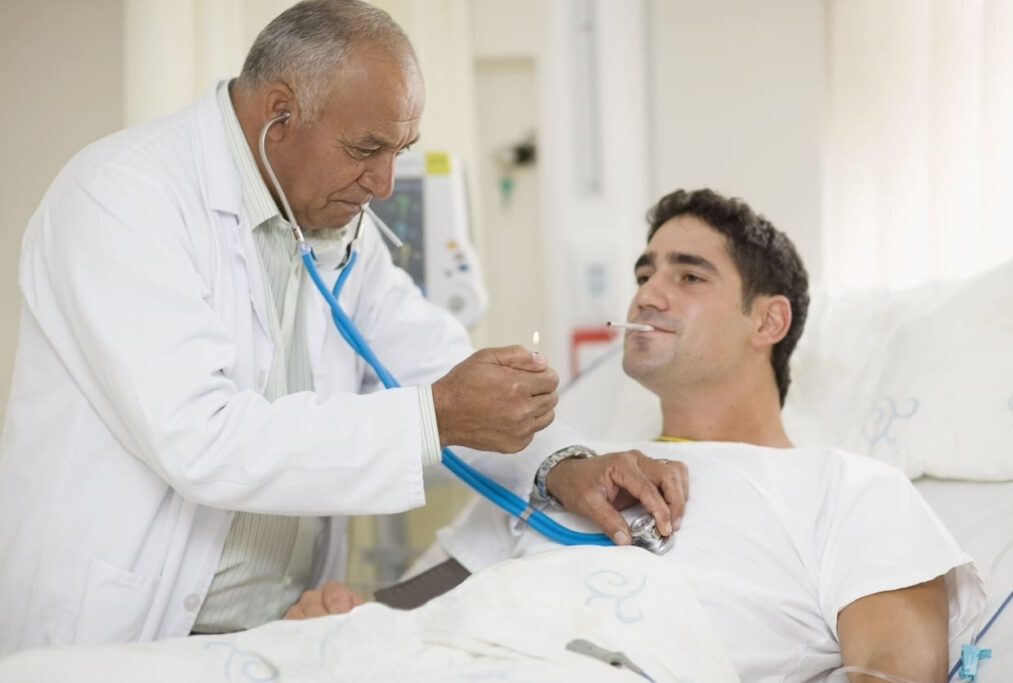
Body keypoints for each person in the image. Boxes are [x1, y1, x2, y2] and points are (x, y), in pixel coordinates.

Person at [0, 0, 685, 654]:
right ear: (279, 115)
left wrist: (563, 463)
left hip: (276, 630)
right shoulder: (123, 196)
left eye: (400, 149)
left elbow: (430, 365)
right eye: (366, 148)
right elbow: (202, 439)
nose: (383, 184)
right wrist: (438, 414)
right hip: (122, 629)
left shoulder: (330, 223)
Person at [433, 188, 985, 682]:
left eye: (689, 277)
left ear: (768, 322)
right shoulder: (565, 468)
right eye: (643, 276)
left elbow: (891, 674)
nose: (647, 296)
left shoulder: (848, 489)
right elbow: (413, 610)